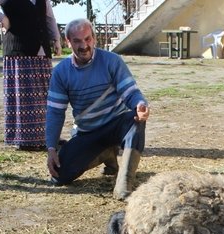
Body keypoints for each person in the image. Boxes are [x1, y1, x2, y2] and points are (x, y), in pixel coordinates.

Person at [45, 18, 150, 200]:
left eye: (87, 39)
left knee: (136, 120)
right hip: (87, 132)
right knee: (59, 176)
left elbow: (130, 92)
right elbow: (55, 112)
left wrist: (140, 105)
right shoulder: (60, 72)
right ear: (68, 42)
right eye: (77, 41)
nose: (83, 45)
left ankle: (124, 185)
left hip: (115, 124)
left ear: (94, 38)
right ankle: (106, 154)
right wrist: (51, 148)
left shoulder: (112, 61)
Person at [0, 0, 62, 152]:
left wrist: (56, 39)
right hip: (19, 52)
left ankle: (45, 136)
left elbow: (49, 18)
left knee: (44, 97)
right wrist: (2, 19)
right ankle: (26, 140)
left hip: (41, 52)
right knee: (24, 98)